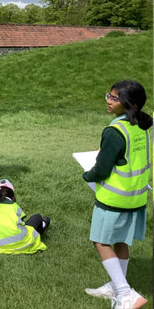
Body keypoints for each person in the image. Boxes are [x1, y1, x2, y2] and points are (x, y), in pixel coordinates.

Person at [83, 80, 151, 309]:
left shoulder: (114, 131)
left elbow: (101, 170)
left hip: (114, 199)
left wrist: (87, 175)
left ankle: (125, 293)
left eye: (114, 98)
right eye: (108, 96)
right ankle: (116, 285)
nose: (108, 101)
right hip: (136, 197)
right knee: (121, 240)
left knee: (100, 241)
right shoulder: (140, 126)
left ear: (129, 104)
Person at [0, 179, 50, 254]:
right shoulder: (14, 206)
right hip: (19, 242)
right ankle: (42, 225)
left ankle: (41, 226)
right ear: (11, 194)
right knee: (37, 217)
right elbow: (21, 221)